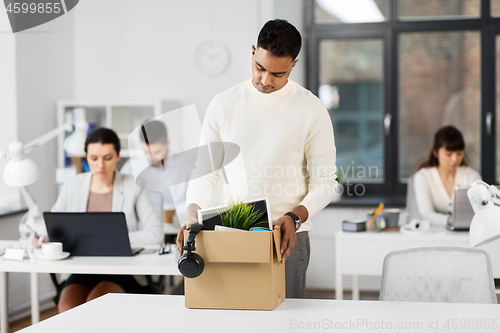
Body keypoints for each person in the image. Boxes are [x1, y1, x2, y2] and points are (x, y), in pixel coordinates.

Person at [176, 19, 337, 298]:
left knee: (286, 322)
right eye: (260, 68)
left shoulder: (311, 108)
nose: (265, 80)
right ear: (253, 51)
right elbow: (206, 170)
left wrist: (294, 217)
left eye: (278, 74)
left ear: (293, 66)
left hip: (286, 238)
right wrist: (192, 214)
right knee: (234, 319)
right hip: (232, 235)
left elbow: (325, 182)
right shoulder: (223, 104)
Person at [50, 127, 163, 313]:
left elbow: (156, 233)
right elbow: (55, 225)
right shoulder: (73, 185)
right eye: (94, 158)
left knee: (96, 304)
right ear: (86, 157)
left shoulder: (134, 186)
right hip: (83, 268)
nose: (100, 165)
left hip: (121, 270)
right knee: (67, 306)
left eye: (107, 158)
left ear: (118, 156)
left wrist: (114, 238)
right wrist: (45, 237)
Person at [121, 120, 193, 219]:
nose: (151, 158)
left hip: (181, 223)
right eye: (146, 152)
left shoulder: (188, 164)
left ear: (167, 143)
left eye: (157, 152)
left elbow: (196, 200)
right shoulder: (130, 167)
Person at [414, 125, 481, 227]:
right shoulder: (423, 176)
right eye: (448, 154)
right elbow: (426, 214)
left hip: (467, 233)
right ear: (436, 153)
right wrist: (451, 221)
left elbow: (481, 210)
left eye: (459, 153)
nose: (454, 159)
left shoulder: (472, 176)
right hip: (435, 234)